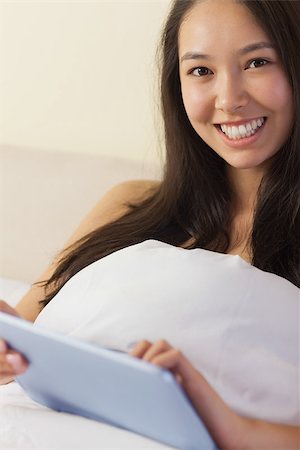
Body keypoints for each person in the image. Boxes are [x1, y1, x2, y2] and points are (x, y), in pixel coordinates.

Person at [0, 0, 299, 448]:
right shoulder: (128, 203)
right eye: (201, 71)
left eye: (258, 62)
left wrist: (233, 429)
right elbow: (21, 329)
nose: (229, 99)